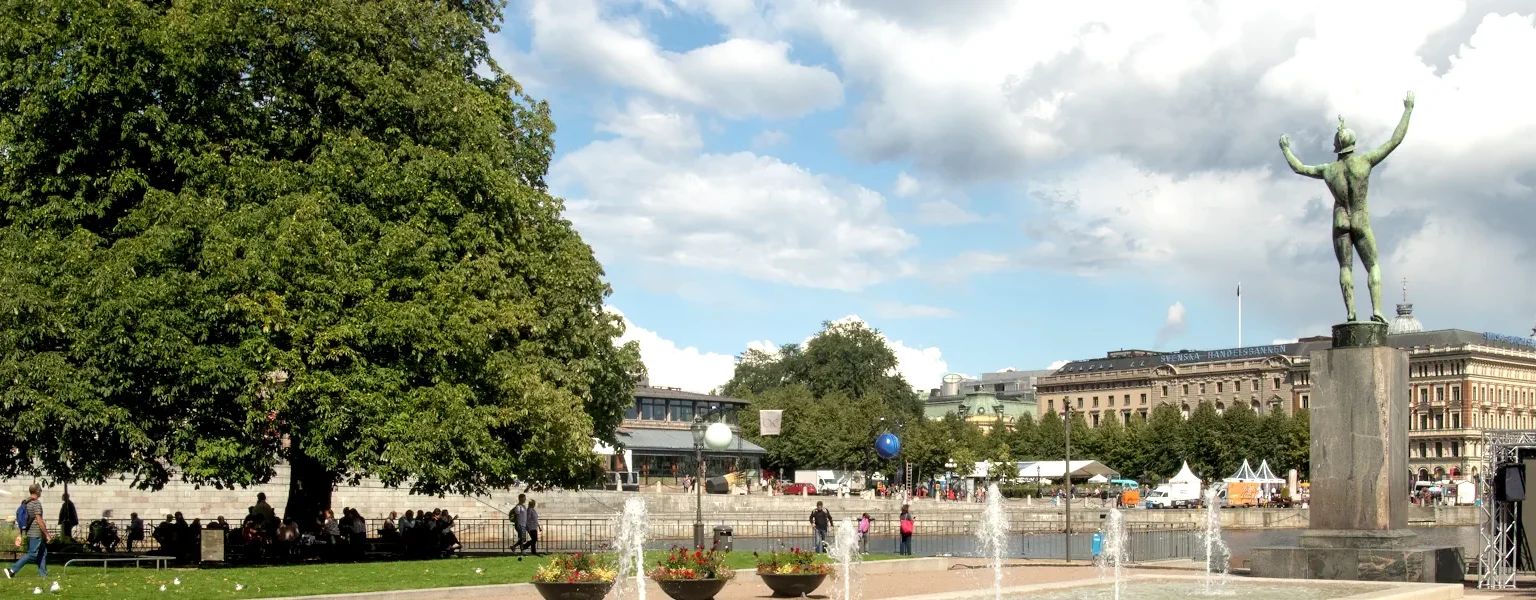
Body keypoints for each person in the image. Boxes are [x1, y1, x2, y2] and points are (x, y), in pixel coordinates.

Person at [6, 483, 50, 578]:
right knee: (32, 554)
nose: (41, 492)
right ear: (37, 491)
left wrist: (20, 534)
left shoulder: (26, 502)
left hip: (30, 531)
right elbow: (39, 520)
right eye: (40, 490)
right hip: (36, 532)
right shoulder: (36, 503)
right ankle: (12, 569)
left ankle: (43, 575)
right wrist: (46, 534)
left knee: (42, 552)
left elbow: (22, 520)